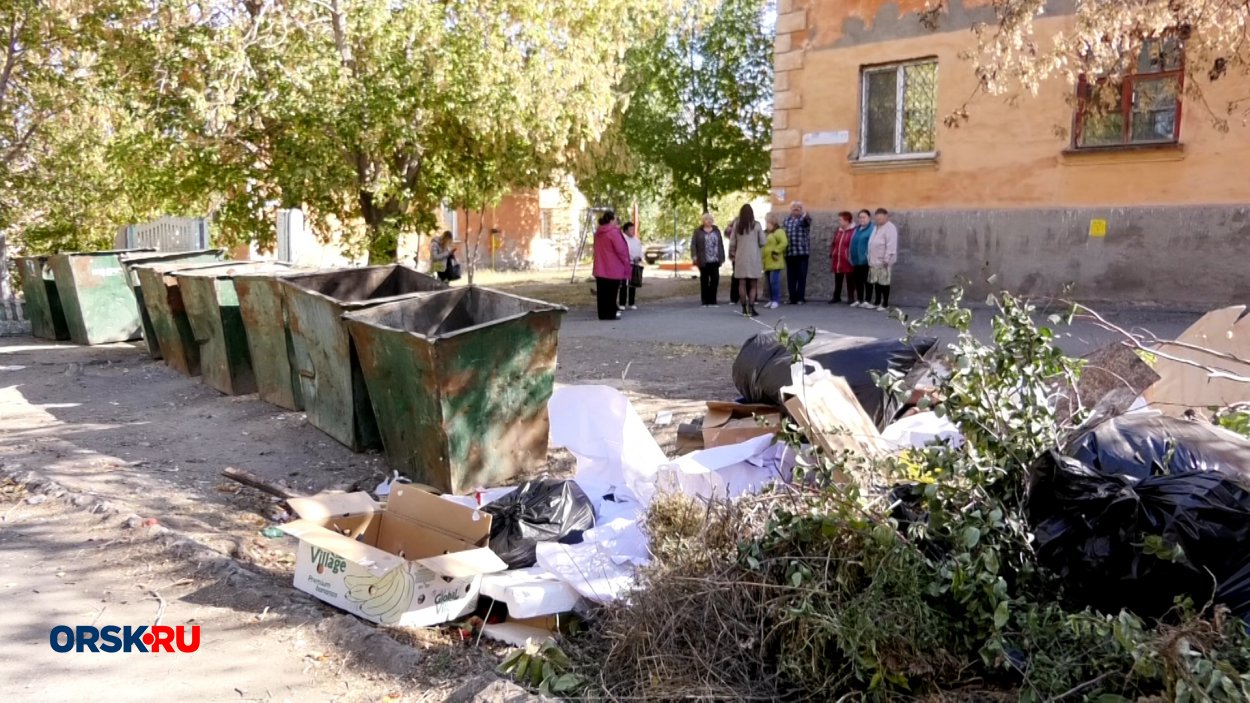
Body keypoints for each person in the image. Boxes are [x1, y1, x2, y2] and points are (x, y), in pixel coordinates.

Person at [592, 210, 630, 321]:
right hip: (613, 267)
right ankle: (611, 313)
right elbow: (620, 249)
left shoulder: (599, 233)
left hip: (600, 266)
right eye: (615, 219)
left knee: (602, 293)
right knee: (612, 292)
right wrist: (625, 260)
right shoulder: (613, 233)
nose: (617, 221)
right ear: (612, 220)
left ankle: (602, 314)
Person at [729, 204, 765, 317]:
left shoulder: (737, 225)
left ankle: (743, 307)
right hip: (753, 257)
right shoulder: (757, 225)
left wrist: (732, 253)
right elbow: (763, 242)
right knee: (753, 284)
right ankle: (751, 307)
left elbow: (732, 241)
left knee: (741, 283)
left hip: (740, 257)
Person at [690, 213, 725, 307]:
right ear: (703, 221)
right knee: (704, 280)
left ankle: (713, 301)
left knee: (715, 280)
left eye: (710, 219)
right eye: (707, 219)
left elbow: (720, 244)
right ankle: (705, 301)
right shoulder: (698, 231)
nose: (709, 221)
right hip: (703, 259)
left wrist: (722, 257)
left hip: (715, 259)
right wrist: (694, 255)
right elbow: (693, 244)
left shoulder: (716, 231)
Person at [867, 208, 899, 311]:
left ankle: (885, 303)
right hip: (874, 260)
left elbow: (891, 244)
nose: (879, 220)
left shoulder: (890, 228)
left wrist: (887, 258)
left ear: (886, 217)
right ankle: (877, 302)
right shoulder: (876, 227)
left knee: (884, 282)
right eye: (877, 218)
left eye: (881, 218)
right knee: (876, 282)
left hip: (884, 260)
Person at [783, 201, 812, 304]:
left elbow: (808, 221)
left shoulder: (804, 219)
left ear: (801, 209)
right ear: (790, 209)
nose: (796, 208)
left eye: (798, 207)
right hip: (790, 252)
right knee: (791, 277)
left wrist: (805, 213)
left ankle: (800, 298)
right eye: (794, 207)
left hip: (802, 252)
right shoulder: (786, 220)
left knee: (801, 276)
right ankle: (792, 298)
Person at [761, 212, 788, 310]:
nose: (766, 224)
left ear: (772, 221)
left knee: (774, 282)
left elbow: (784, 242)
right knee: (768, 283)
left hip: (775, 260)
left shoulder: (779, 231)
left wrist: (776, 250)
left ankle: (776, 300)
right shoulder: (766, 232)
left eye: (767, 222)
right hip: (767, 261)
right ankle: (771, 299)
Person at [849, 210, 874, 308]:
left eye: (864, 217)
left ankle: (867, 300)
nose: (862, 219)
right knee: (858, 281)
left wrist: (868, 256)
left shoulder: (872, 229)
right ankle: (859, 299)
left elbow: (872, 244)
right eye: (860, 217)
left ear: (869, 218)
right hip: (856, 260)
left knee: (867, 281)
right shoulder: (857, 229)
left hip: (866, 260)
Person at [829, 211, 855, 304]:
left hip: (847, 258)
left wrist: (849, 255)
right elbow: (834, 243)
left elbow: (853, 244)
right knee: (838, 278)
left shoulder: (853, 231)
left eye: (840, 219)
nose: (839, 221)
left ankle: (851, 297)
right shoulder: (839, 231)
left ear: (847, 220)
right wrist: (832, 252)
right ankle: (836, 296)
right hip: (838, 258)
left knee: (850, 279)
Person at [618, 221, 643, 311]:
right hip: (625, 264)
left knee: (633, 284)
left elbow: (640, 250)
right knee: (624, 284)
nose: (632, 231)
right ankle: (622, 303)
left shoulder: (636, 240)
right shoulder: (622, 240)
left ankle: (631, 302)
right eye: (630, 229)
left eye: (633, 229)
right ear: (625, 231)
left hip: (634, 264)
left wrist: (639, 258)